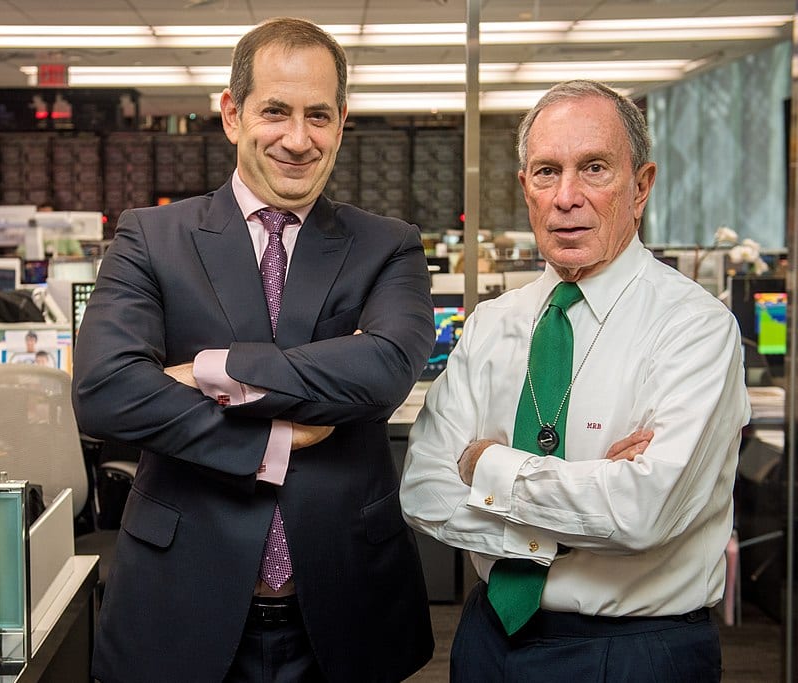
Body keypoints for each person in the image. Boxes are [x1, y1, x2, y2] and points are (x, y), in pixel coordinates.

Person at [73, 16, 435, 683]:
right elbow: (105, 391)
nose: (297, 139)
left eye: (318, 115)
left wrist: (210, 369)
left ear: (341, 121)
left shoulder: (388, 244)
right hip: (181, 599)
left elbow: (385, 369)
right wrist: (274, 439)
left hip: (348, 601)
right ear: (232, 114)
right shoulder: (151, 237)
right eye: (275, 111)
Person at [401, 79, 750, 681]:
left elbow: (642, 512)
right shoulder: (492, 323)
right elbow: (424, 489)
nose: (566, 197)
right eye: (546, 172)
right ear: (525, 189)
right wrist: (583, 507)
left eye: (594, 168)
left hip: (637, 651)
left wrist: (486, 465)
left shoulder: (695, 327)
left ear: (641, 187)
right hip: (489, 639)